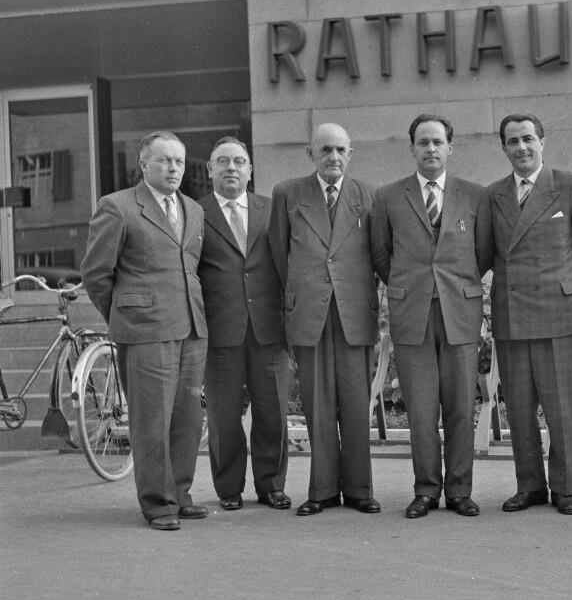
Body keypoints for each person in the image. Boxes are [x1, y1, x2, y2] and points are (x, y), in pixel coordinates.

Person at [80, 131, 208, 531]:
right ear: (143, 164)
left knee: (187, 419)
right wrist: (125, 316)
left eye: (179, 161)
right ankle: (158, 504)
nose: (173, 168)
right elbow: (96, 273)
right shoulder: (117, 207)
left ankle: (180, 494)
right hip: (145, 332)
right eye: (164, 160)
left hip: (191, 328)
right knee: (151, 422)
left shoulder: (193, 209)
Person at [480, 113, 572, 515]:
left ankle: (564, 487)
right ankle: (530, 485)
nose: (521, 148)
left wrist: (563, 286)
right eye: (512, 141)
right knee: (518, 409)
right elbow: (485, 254)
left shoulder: (570, 185)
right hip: (512, 315)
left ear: (542, 142)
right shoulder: (493, 195)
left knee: (561, 408)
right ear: (503, 148)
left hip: (558, 316)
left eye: (528, 139)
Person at [370, 115, 493, 518]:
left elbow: (483, 253)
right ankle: (425, 490)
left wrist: (454, 285)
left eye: (438, 142)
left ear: (450, 148)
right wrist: (412, 285)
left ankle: (459, 490)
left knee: (461, 406)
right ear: (412, 149)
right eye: (423, 142)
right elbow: (382, 255)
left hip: (460, 312)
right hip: (413, 314)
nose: (430, 149)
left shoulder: (474, 196)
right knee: (421, 411)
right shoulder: (389, 197)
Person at [268, 122, 380, 516]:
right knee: (317, 404)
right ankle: (324, 490)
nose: (333, 157)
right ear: (310, 154)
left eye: (340, 150)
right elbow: (279, 254)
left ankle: (360, 490)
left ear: (351, 154)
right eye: (325, 150)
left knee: (355, 402)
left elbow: (379, 254)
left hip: (353, 312)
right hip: (309, 310)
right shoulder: (287, 193)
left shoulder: (369, 195)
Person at [198, 136, 291, 512]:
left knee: (273, 413)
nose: (231, 167)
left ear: (250, 169)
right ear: (210, 169)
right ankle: (229, 488)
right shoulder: (195, 213)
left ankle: (271, 485)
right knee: (223, 416)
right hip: (220, 330)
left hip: (269, 328)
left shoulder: (272, 210)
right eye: (222, 161)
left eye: (239, 161)